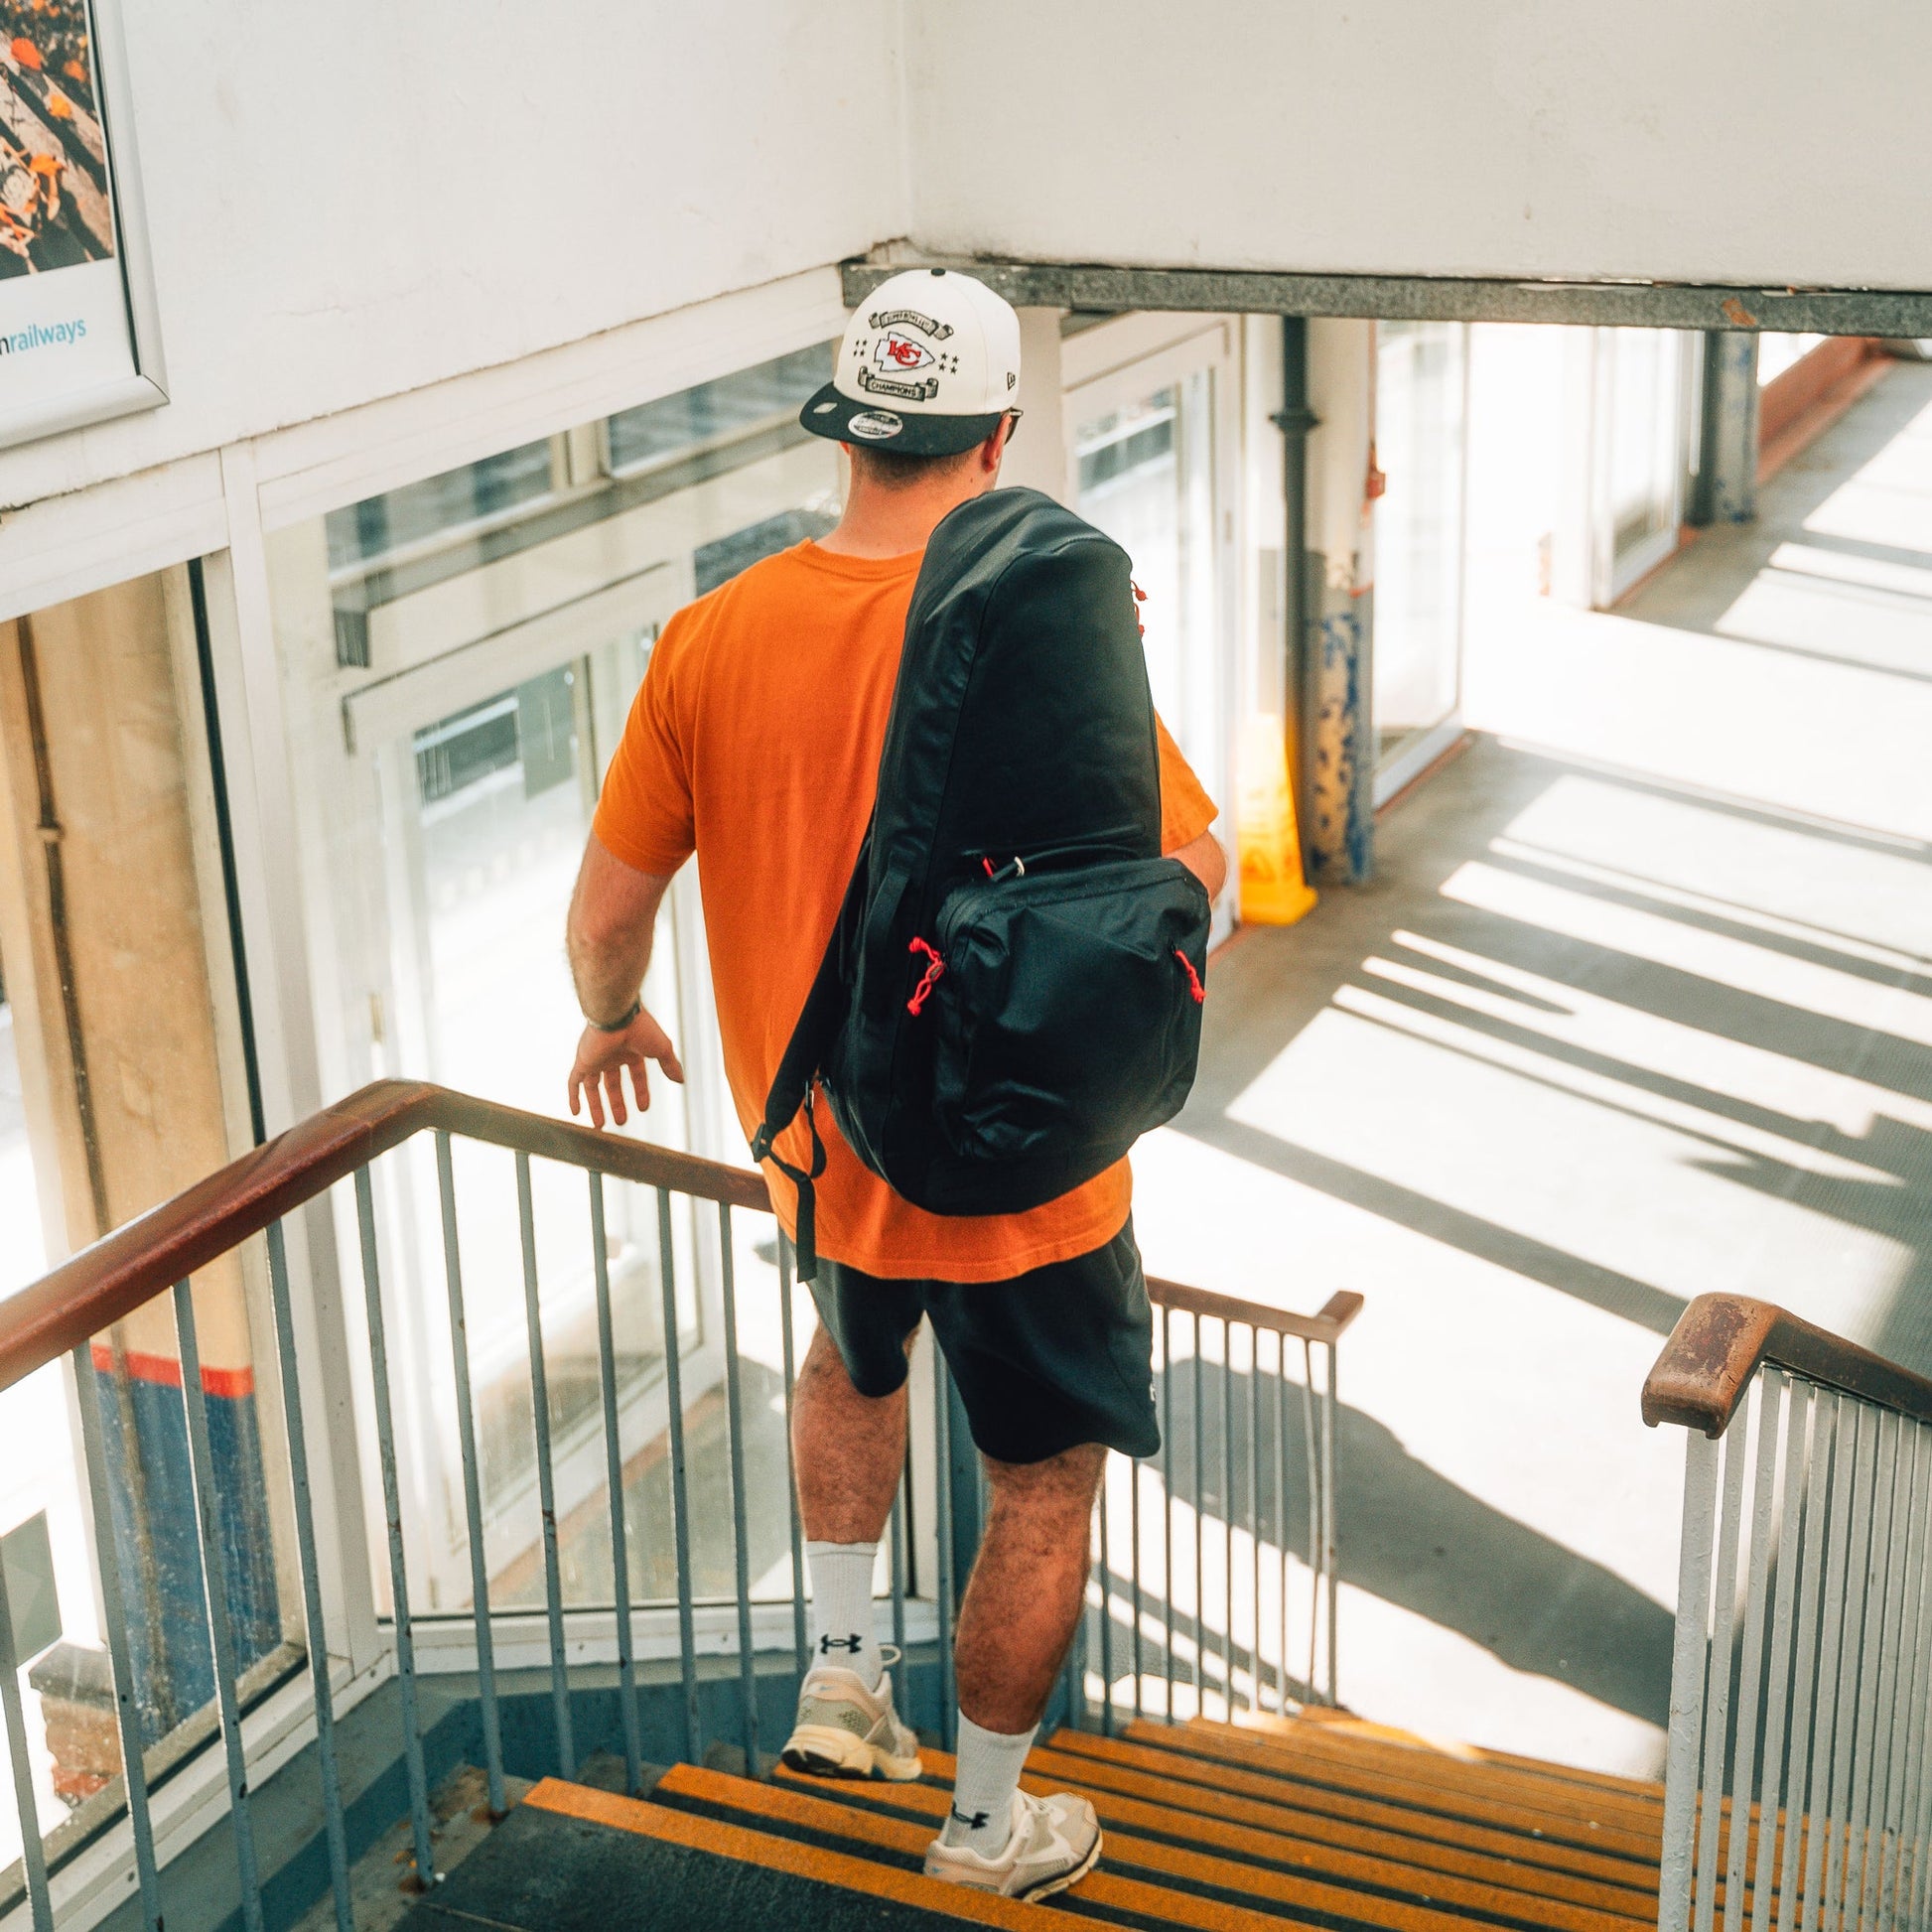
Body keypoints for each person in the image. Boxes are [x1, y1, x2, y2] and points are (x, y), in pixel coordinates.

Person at [564, 268, 1224, 1902]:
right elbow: (1182, 861)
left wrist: (613, 1017)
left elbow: (606, 917)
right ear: (995, 434)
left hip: (822, 1138)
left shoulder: (706, 638)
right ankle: (988, 1826)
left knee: (848, 1361)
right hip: (1031, 1170)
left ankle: (841, 1679)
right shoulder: (1036, 630)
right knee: (1040, 1482)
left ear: (845, 431)